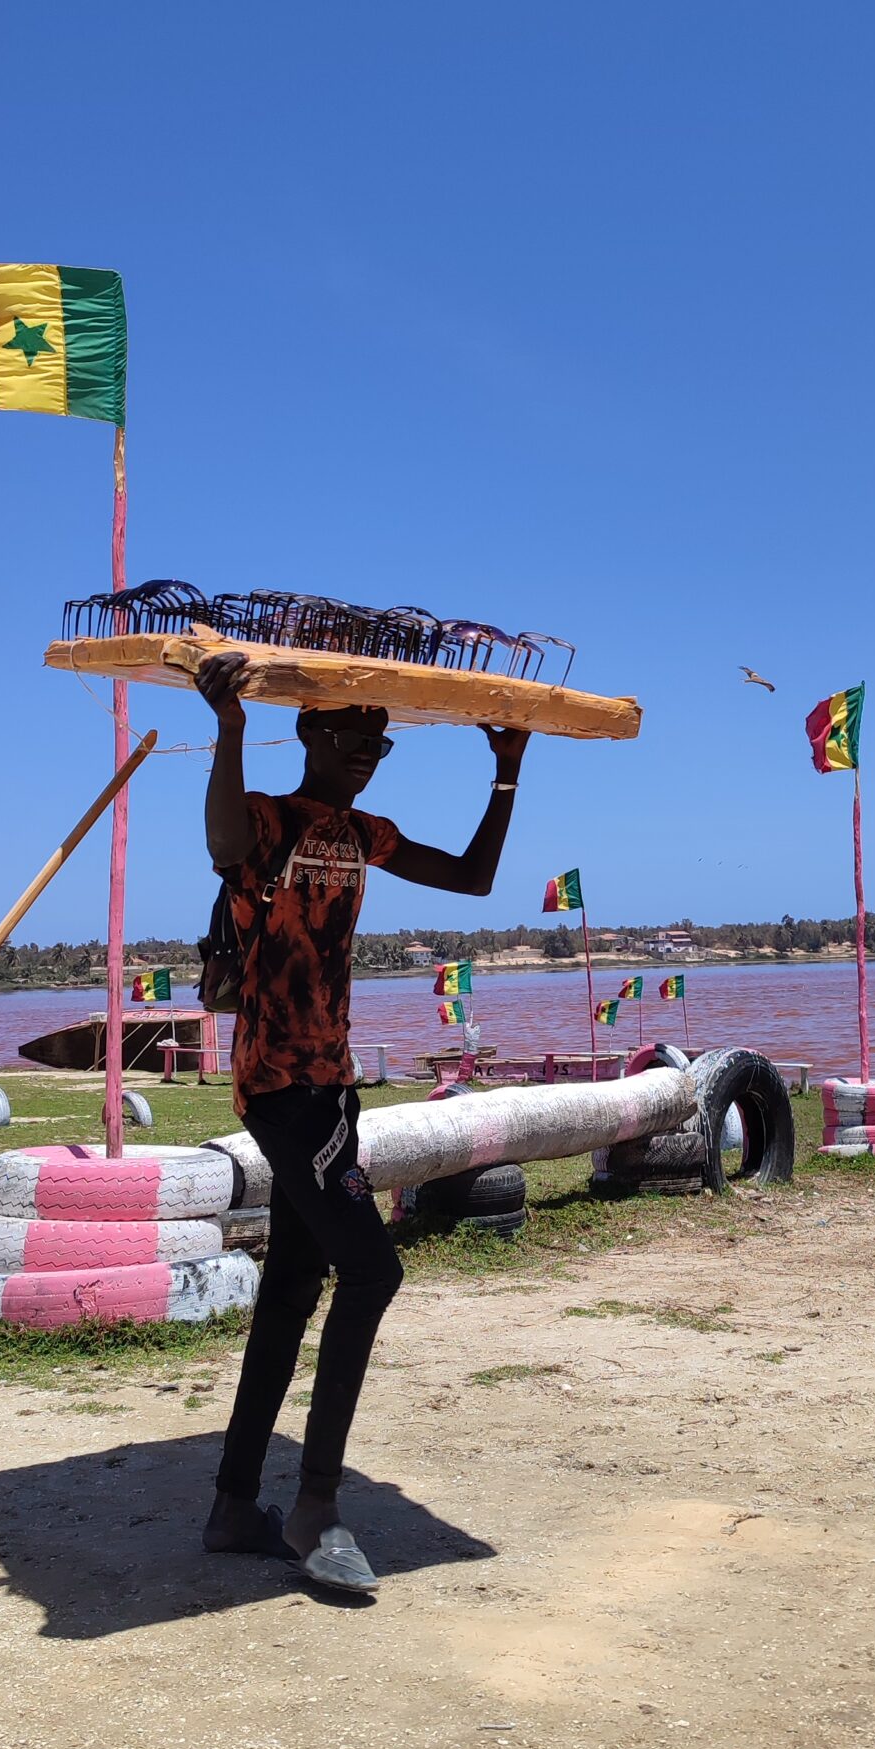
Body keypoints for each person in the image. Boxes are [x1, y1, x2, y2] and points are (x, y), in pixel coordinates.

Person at [193, 649, 527, 1594]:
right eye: (353, 733)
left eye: (381, 736)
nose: (372, 749)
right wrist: (225, 730)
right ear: (308, 732)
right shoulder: (264, 821)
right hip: (278, 1087)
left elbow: (472, 878)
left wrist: (506, 770)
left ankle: (230, 1507)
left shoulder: (363, 832)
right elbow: (223, 846)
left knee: (294, 1290)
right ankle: (315, 1506)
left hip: (333, 1086)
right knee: (373, 1269)